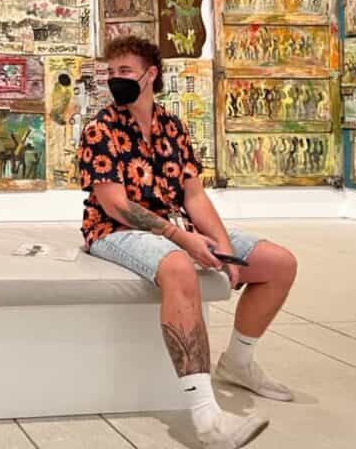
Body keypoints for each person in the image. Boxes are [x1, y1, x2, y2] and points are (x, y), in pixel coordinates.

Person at [78, 36, 298, 449]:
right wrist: (185, 241)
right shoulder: (100, 129)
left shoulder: (172, 127)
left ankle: (239, 362)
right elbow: (115, 204)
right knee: (179, 264)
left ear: (150, 75)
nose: (115, 79)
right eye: (111, 72)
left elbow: (194, 194)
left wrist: (219, 243)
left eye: (124, 71)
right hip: (115, 231)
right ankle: (207, 417)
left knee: (279, 263)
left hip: (174, 224)